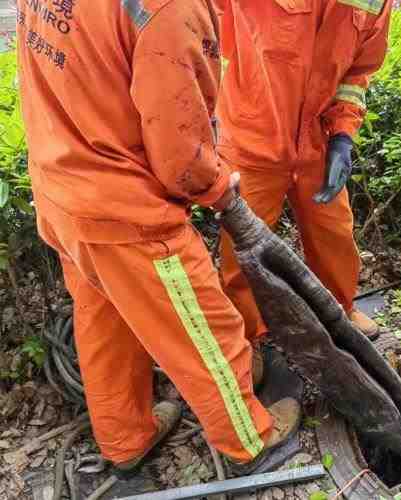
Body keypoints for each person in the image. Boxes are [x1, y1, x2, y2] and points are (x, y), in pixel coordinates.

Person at [15, 0, 299, 473]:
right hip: (126, 210)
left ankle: (126, 440)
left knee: (105, 321)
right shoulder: (172, 6)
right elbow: (181, 155)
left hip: (61, 187)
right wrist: (217, 187)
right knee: (205, 328)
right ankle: (252, 440)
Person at [216, 0, 393, 350]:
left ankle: (339, 309)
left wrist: (342, 136)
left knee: (334, 233)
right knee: (242, 251)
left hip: (317, 139)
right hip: (252, 136)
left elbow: (357, 72)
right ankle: (248, 338)